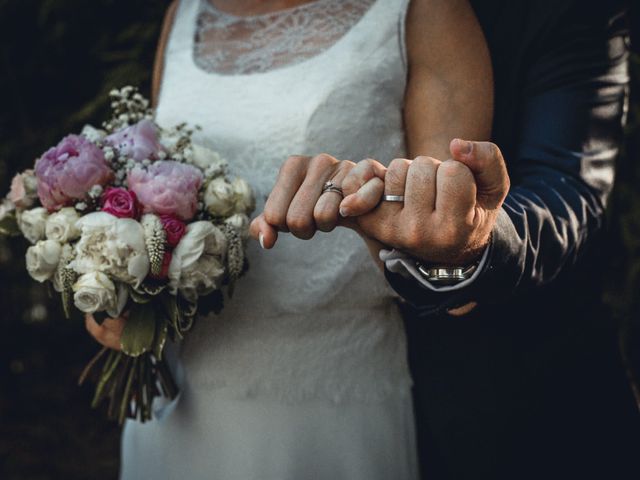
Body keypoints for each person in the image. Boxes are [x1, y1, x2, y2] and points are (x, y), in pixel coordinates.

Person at [85, 0, 494, 478]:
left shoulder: (425, 10)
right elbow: (153, 175)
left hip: (328, 398)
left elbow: (453, 253)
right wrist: (118, 293)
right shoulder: (186, 12)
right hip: (176, 396)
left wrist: (440, 250)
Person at [252, 0, 640, 479]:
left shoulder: (561, 12)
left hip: (519, 403)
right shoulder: (192, 13)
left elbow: (569, 190)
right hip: (222, 371)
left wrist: (478, 240)